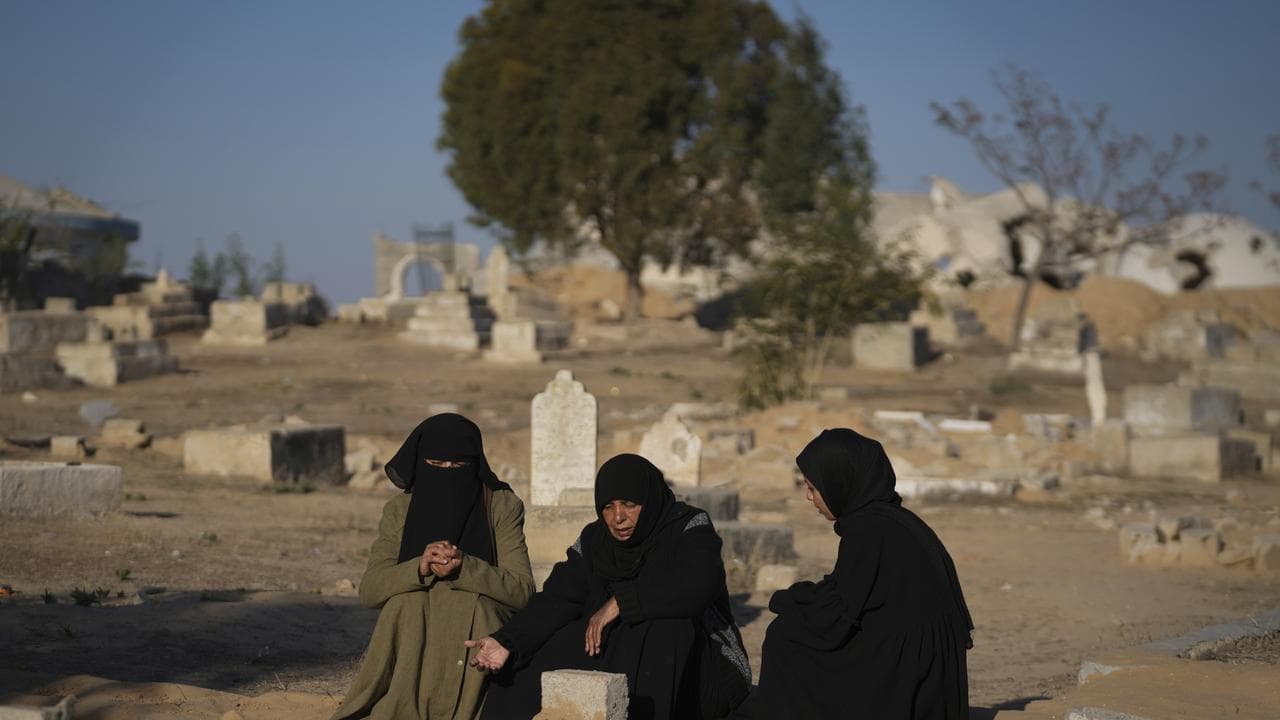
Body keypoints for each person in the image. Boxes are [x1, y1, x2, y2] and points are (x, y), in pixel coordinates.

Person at [468, 453, 750, 720]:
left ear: (649, 500)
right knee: (530, 659)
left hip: (704, 670)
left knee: (665, 627)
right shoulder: (595, 540)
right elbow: (557, 599)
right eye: (608, 507)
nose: (618, 517)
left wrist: (620, 602)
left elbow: (698, 585)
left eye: (629, 504)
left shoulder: (688, 526)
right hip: (623, 653)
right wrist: (508, 641)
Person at [741, 428, 973, 720]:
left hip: (911, 667)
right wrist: (799, 598)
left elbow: (837, 618)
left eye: (813, 487)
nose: (808, 497)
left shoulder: (869, 530)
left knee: (785, 637)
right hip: (925, 657)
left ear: (840, 483)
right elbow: (851, 590)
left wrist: (791, 602)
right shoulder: (891, 519)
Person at [331, 413, 535, 720]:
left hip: (478, 625)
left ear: (474, 465)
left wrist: (466, 568)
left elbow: (523, 591)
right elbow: (371, 590)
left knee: (477, 609)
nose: (448, 474)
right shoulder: (400, 510)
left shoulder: (501, 506)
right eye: (436, 466)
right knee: (405, 604)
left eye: (458, 466)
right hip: (417, 621)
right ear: (420, 464)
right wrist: (420, 567)